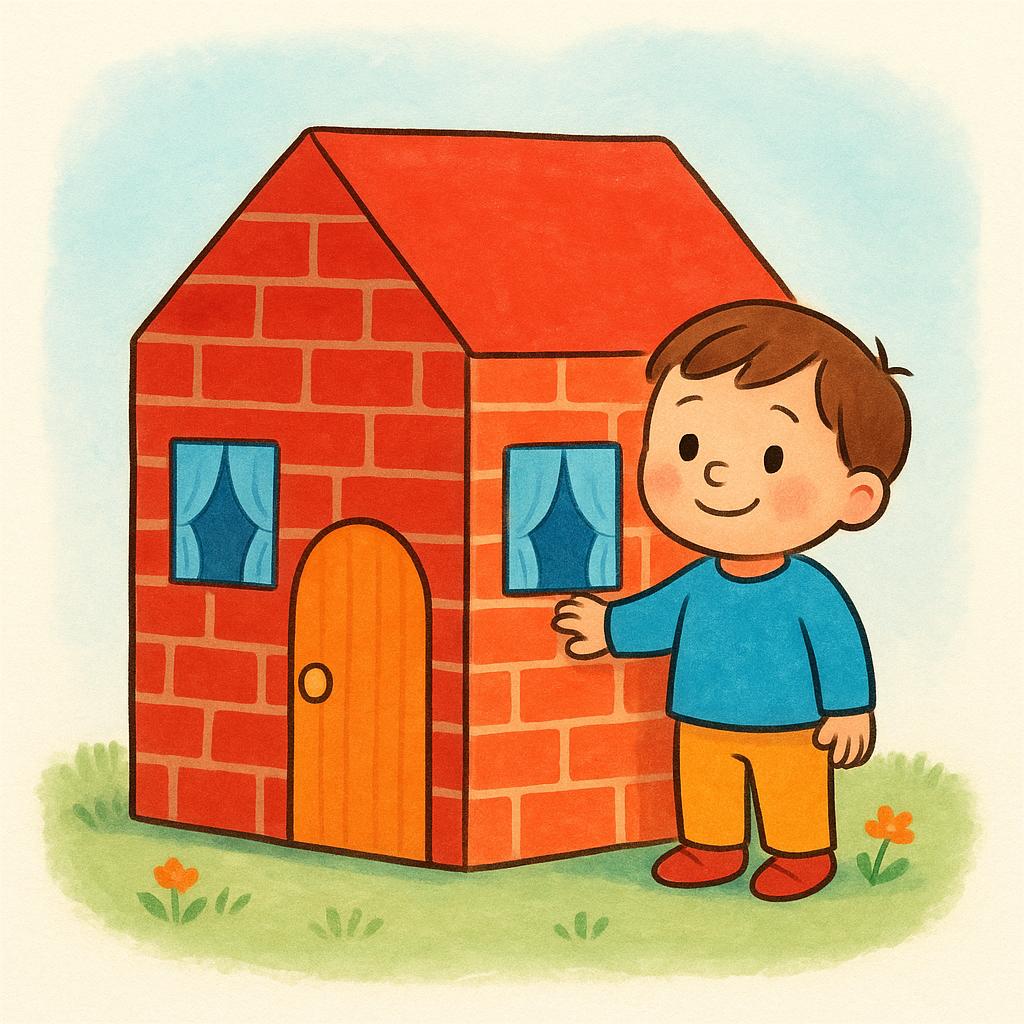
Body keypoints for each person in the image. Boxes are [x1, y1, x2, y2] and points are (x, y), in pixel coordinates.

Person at [552, 299, 912, 901]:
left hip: (791, 725)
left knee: (790, 789)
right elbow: (658, 616)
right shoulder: (699, 580)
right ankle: (711, 847)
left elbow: (840, 646)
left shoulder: (809, 590)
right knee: (705, 785)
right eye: (687, 446)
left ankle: (802, 854)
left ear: (856, 497)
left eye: (771, 457)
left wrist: (851, 709)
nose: (714, 472)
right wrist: (609, 626)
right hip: (700, 714)